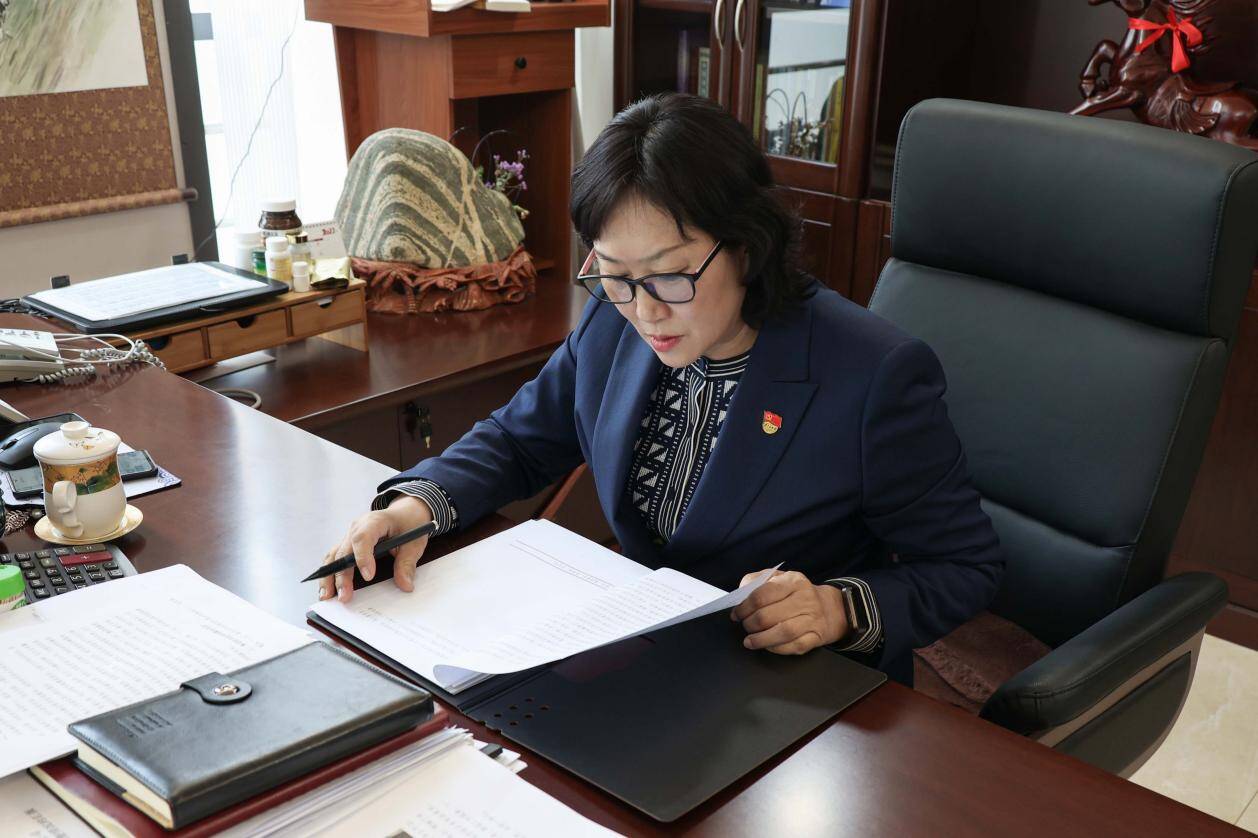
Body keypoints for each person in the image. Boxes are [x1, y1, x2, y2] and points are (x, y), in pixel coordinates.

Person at [320, 93, 1003, 685]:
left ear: (746, 245)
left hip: (801, 688)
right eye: (615, 275)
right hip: (651, 658)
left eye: (671, 276)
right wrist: (414, 506)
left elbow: (964, 564)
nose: (644, 311)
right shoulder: (611, 320)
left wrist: (837, 608)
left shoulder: (873, 374)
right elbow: (519, 440)